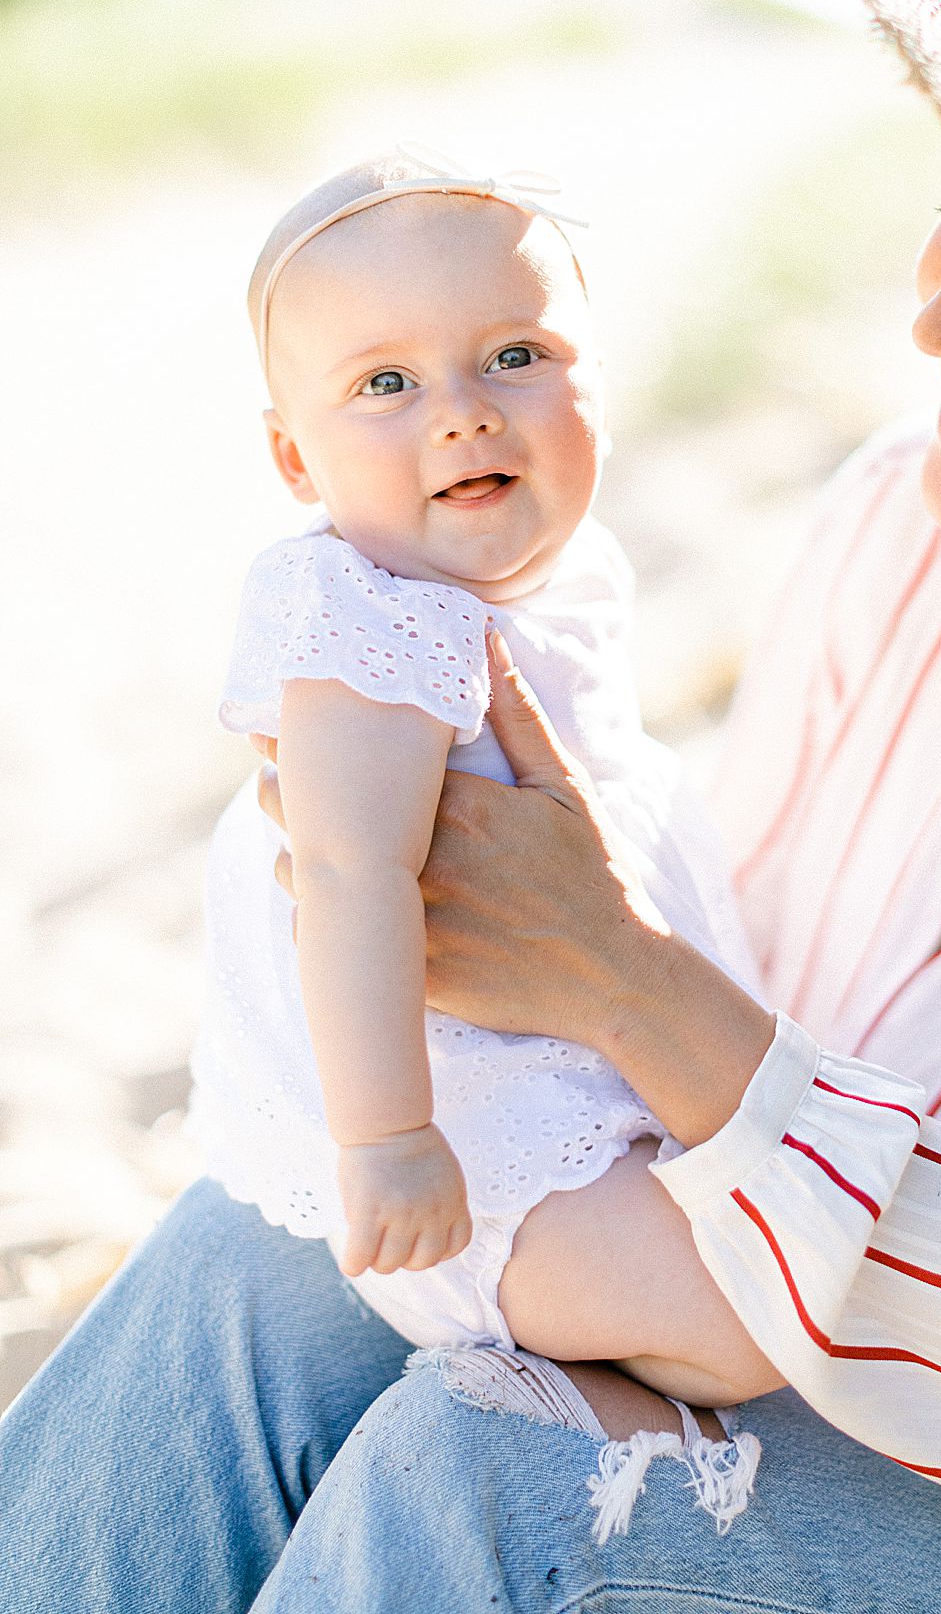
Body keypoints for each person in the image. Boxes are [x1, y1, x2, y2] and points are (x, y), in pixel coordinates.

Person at [4, 0, 941, 1614]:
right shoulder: (897, 531)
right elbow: (733, 959)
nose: (935, 313)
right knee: (273, 1248)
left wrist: (612, 976)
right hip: (806, 1289)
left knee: (511, 1469)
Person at [190, 148, 778, 1501]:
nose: (461, 414)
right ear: (295, 456)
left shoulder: (570, 573)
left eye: (514, 355)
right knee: (750, 1318)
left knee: (774, 1269)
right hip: (468, 1137)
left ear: (597, 394)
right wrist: (390, 1138)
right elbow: (344, 870)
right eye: (384, 384)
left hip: (567, 1072)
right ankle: (508, 1397)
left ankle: (567, 1385)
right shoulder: (363, 614)